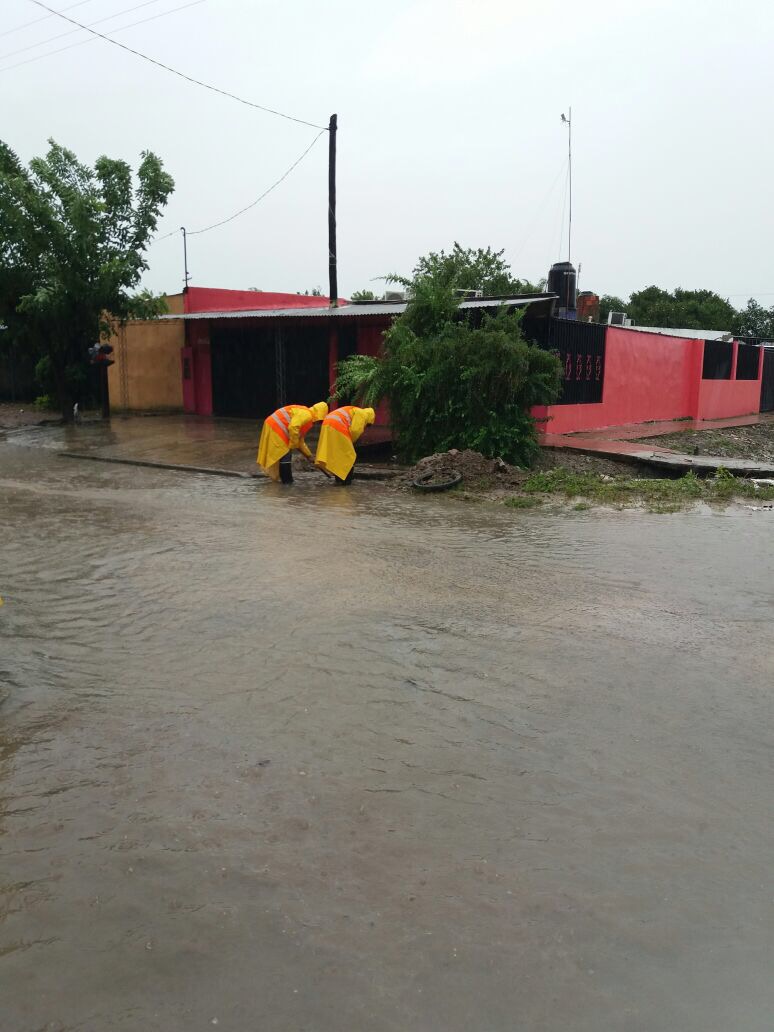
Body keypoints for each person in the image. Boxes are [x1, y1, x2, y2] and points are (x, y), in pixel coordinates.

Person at [256, 402, 328, 483]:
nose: (318, 423)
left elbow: (300, 441)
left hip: (274, 426)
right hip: (276, 427)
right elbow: (293, 427)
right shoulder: (307, 415)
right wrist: (293, 444)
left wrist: (309, 455)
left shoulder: (306, 418)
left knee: (284, 453)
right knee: (284, 453)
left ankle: (286, 481)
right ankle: (287, 481)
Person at [314, 405, 375, 485]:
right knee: (350, 456)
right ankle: (345, 482)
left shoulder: (354, 410)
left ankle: (338, 480)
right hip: (337, 426)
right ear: (370, 419)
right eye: (367, 425)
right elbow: (355, 430)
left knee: (337, 454)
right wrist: (351, 442)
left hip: (327, 424)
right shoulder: (363, 414)